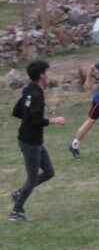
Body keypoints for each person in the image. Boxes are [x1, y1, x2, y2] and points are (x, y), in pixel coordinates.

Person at [9, 60, 65, 222]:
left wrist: (29, 116)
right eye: (47, 73)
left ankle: (19, 193)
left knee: (49, 172)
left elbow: (16, 111)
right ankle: (16, 211)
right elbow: (36, 120)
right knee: (32, 177)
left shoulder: (29, 91)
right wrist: (55, 120)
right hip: (30, 142)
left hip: (33, 140)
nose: (48, 76)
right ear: (41, 75)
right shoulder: (36, 94)